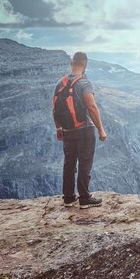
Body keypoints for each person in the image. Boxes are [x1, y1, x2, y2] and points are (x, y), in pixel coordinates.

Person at [52, 52, 107, 208]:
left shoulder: (60, 83)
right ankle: (84, 198)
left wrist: (58, 128)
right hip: (84, 130)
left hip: (67, 130)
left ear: (71, 63)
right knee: (85, 162)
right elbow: (91, 106)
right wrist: (101, 130)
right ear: (85, 64)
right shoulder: (84, 83)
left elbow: (54, 108)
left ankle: (68, 197)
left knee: (69, 163)